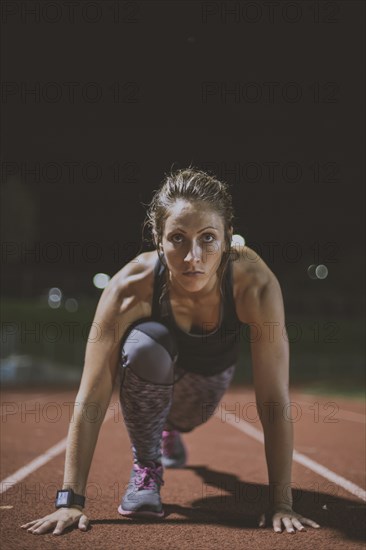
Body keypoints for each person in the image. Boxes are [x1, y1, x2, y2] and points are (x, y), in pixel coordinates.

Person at [20, 168, 321, 535]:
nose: (193, 257)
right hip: (151, 376)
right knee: (145, 344)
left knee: (179, 402)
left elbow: (273, 397)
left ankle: (169, 430)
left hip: (204, 390)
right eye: (178, 238)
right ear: (157, 240)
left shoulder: (253, 283)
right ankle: (147, 467)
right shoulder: (129, 288)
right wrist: (70, 501)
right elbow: (92, 394)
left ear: (228, 239)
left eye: (207, 238)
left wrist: (281, 503)